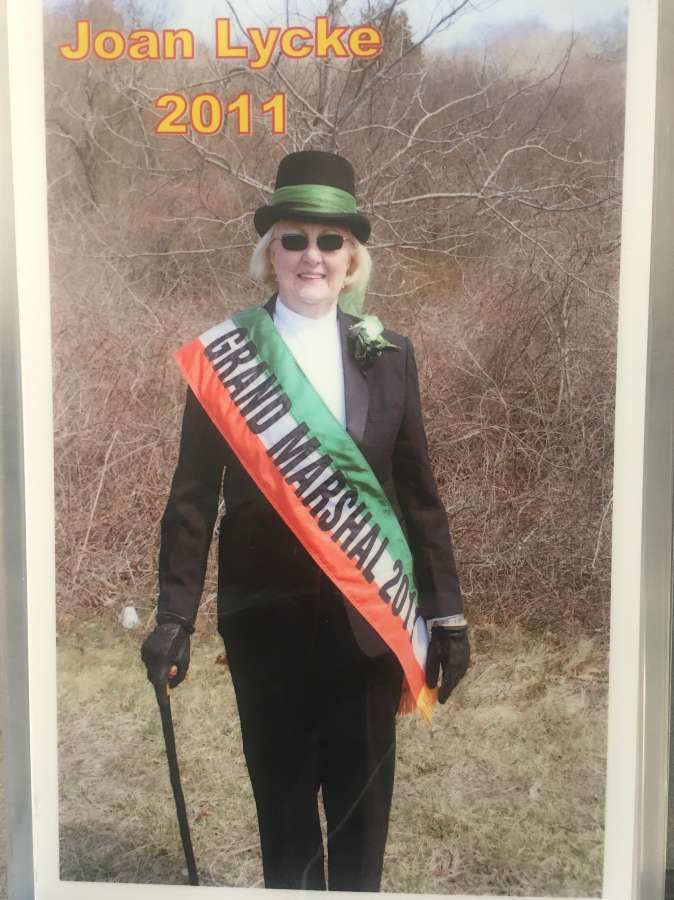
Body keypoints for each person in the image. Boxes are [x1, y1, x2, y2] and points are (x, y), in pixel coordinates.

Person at [141, 150, 470, 892]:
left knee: (362, 817)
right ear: (271, 253)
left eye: (329, 241)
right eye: (294, 238)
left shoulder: (390, 356)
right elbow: (192, 496)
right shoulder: (226, 359)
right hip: (266, 625)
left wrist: (447, 617)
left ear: (352, 258)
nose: (311, 256)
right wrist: (173, 617)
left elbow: (418, 496)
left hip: (367, 628)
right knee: (284, 817)